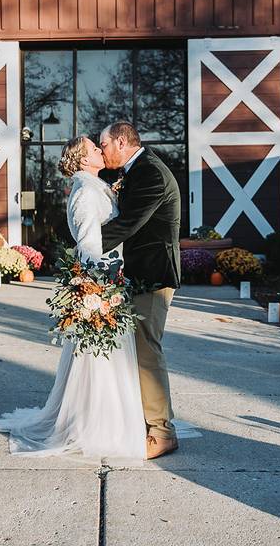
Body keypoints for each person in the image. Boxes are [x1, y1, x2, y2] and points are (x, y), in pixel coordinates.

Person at [0, 135, 147, 459]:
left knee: (109, 359)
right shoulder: (83, 191)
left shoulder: (96, 185)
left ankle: (115, 419)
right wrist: (97, 288)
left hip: (112, 278)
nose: (100, 150)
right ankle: (92, 423)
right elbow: (89, 242)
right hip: (100, 284)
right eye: (94, 148)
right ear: (82, 159)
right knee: (96, 360)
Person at [99, 121, 182, 460]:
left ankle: (162, 432)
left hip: (154, 274)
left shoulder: (150, 173)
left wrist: (86, 247)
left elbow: (128, 223)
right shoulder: (137, 170)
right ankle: (146, 422)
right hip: (140, 273)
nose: (102, 151)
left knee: (147, 351)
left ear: (121, 142)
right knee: (138, 348)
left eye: (103, 145)